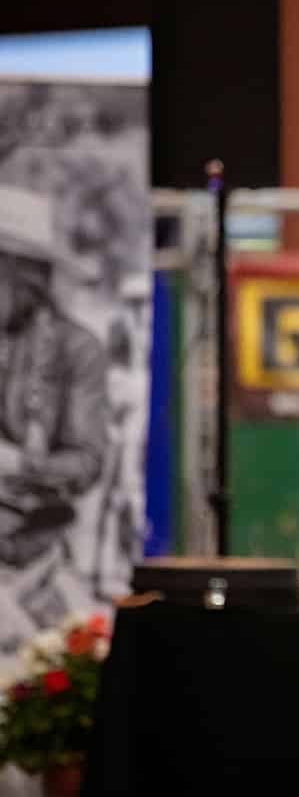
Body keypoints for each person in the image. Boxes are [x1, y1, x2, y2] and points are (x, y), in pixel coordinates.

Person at [0, 186, 110, 649]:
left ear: (25, 276)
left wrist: (18, 465)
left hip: (32, 555)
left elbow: (86, 460)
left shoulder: (75, 349)